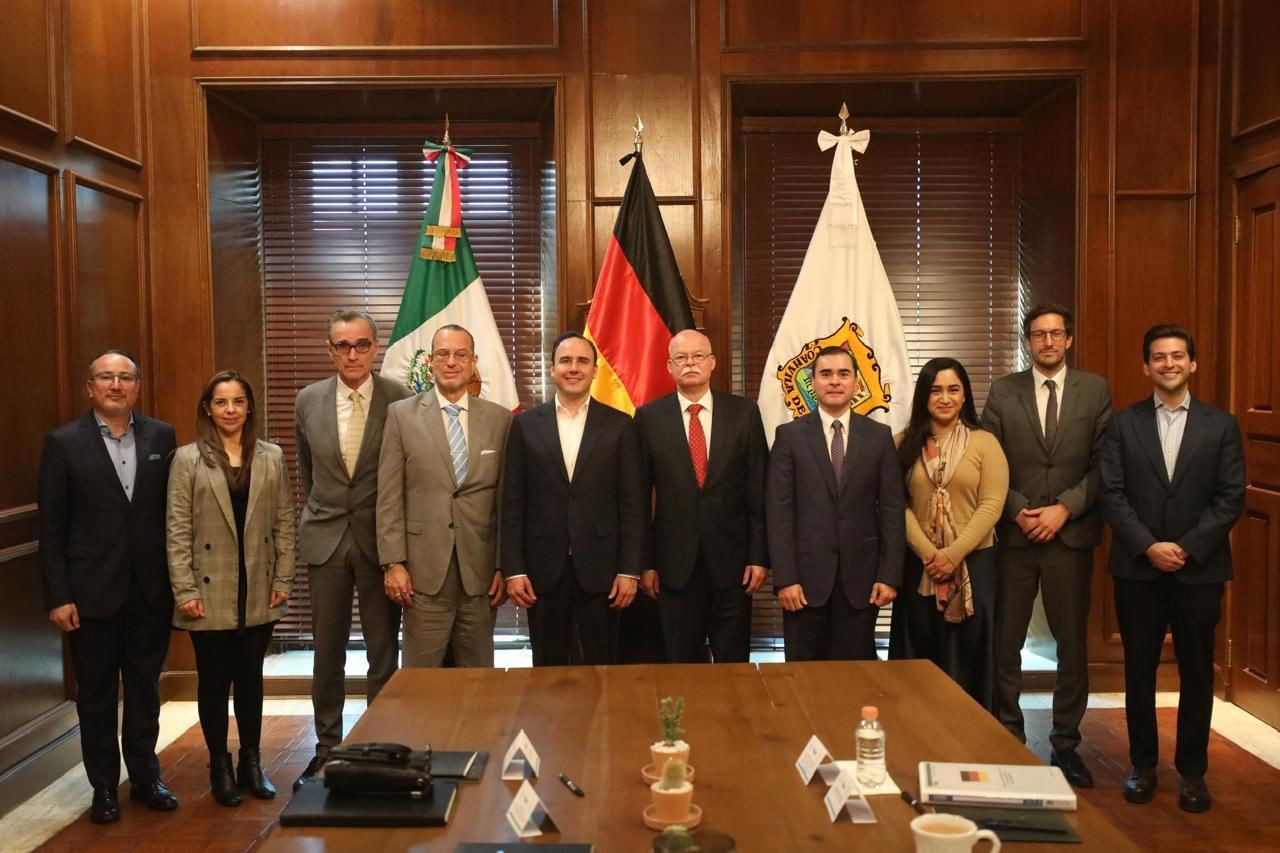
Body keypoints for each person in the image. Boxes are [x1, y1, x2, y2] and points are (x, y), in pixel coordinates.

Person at [1100, 325, 1244, 814]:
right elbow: (1112, 495)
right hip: (1138, 570)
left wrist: (1184, 547)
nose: (1168, 364)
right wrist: (1148, 546)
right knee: (1138, 671)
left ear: (1192, 364)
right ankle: (1142, 767)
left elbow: (1230, 498)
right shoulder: (1122, 425)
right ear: (1146, 366)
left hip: (1197, 570)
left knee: (1197, 673)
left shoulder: (1221, 425)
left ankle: (1193, 773)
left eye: (1177, 356)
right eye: (1158, 357)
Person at [38, 349, 179, 824]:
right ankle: (103, 787)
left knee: (144, 690)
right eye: (106, 377)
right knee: (96, 696)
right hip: (89, 594)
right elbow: (52, 527)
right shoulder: (62, 443)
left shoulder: (162, 436)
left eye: (125, 377)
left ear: (137, 386)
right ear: (90, 387)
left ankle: (144, 777)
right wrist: (58, 594)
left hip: (149, 591)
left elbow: (169, 515)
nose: (115, 385)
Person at [980, 304, 1112, 788]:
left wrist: (1065, 509)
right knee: (1006, 643)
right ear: (1027, 341)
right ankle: (1008, 738)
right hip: (1015, 536)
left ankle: (1066, 745)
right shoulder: (1003, 390)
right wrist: (1017, 508)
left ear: (1069, 340)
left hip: (1070, 537)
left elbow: (1104, 464)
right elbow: (987, 460)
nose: (1049, 342)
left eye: (1057, 334)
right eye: (1039, 335)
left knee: (1071, 646)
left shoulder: (1094, 390)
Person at [293, 310, 411, 786]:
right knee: (327, 650)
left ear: (375, 347)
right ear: (330, 350)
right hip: (325, 539)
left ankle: (378, 744)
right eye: (343, 346)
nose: (353, 354)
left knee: (383, 650)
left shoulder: (399, 399)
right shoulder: (307, 400)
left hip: (379, 542)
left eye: (361, 344)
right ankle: (327, 747)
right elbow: (308, 472)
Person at [166, 371, 295, 806]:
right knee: (215, 683)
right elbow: (177, 530)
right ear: (208, 408)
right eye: (221, 403)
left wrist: (283, 578)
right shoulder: (187, 459)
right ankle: (219, 764)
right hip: (208, 589)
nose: (230, 410)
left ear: (249, 407)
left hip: (258, 586)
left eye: (238, 402)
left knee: (252, 681)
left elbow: (284, 524)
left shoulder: (271, 456)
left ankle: (251, 763)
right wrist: (184, 589)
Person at [501, 332, 645, 664]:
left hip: (604, 570)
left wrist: (629, 570)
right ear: (551, 369)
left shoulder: (621, 425)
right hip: (541, 571)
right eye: (565, 361)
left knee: (601, 667)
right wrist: (514, 569)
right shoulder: (524, 426)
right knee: (547, 670)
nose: (573, 368)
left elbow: (633, 504)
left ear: (596, 370)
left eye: (582, 361)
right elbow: (512, 503)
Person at [377, 324, 511, 667]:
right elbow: (389, 495)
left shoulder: (499, 419)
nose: (451, 362)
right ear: (430, 362)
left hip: (480, 575)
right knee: (420, 684)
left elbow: (505, 501)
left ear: (473, 362)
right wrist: (394, 562)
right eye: (443, 354)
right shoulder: (401, 415)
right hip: (422, 574)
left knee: (477, 680)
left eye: (460, 354)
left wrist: (502, 565)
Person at [633, 329, 769, 663]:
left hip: (734, 565)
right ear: (669, 366)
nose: (689, 363)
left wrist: (759, 556)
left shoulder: (745, 414)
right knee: (680, 666)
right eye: (681, 357)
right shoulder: (648, 418)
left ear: (712, 363)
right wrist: (645, 564)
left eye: (697, 356)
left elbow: (759, 492)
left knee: (734, 668)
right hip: (673, 567)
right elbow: (636, 499)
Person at [766, 346, 905, 660]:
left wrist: (889, 575)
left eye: (844, 374)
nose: (834, 381)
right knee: (805, 679)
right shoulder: (789, 436)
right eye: (825, 374)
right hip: (803, 583)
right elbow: (779, 512)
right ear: (812, 382)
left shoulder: (879, 436)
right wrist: (786, 579)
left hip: (862, 581)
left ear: (856, 382)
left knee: (856, 676)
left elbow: (893, 510)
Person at [889, 358, 1008, 710]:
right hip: (919, 567)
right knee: (919, 660)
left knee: (969, 656)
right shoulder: (902, 443)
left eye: (953, 389)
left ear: (965, 395)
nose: (945, 398)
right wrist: (931, 555)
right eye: (936, 390)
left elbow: (991, 505)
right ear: (923, 395)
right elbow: (897, 505)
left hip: (975, 566)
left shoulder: (985, 443)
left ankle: (971, 739)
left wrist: (953, 554)